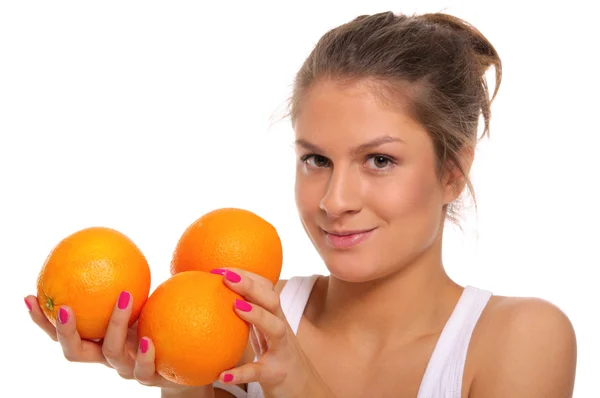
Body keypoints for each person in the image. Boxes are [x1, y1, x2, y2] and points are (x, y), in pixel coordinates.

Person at [25, 10, 577, 398]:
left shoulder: (521, 338)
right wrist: (179, 384)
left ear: (452, 171)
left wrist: (296, 384)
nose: (335, 202)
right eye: (316, 160)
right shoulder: (242, 322)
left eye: (379, 161)